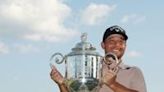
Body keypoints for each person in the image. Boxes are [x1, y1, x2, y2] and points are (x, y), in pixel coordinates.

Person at [50, 25, 147, 92]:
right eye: (111, 41)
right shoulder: (89, 69)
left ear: (125, 45)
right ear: (103, 45)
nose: (117, 45)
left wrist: (113, 84)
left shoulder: (134, 71)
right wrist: (61, 83)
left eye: (121, 42)